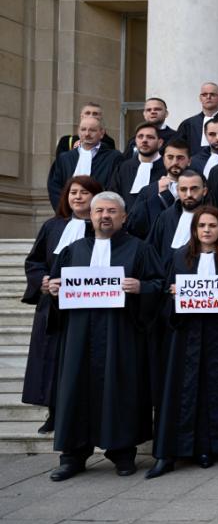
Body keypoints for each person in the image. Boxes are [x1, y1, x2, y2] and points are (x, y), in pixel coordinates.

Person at [46, 192, 162, 481]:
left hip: (120, 334)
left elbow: (159, 285)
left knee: (120, 389)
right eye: (99, 211)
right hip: (79, 335)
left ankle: (122, 453)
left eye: (111, 211)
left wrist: (141, 288)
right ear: (91, 215)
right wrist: (53, 290)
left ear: (123, 217)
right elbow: (56, 288)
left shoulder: (139, 249)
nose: (105, 216)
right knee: (75, 389)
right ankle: (73, 456)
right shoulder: (73, 250)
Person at [147, 206, 218, 478]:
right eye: (202, 225)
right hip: (185, 337)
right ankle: (167, 453)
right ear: (194, 230)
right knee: (180, 391)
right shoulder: (178, 258)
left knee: (213, 388)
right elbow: (162, 297)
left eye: (212, 226)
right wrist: (170, 295)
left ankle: (208, 447)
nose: (206, 230)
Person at [22, 176, 100, 434]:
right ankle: (53, 413)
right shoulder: (52, 226)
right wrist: (42, 281)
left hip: (87, 306)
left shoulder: (101, 227)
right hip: (53, 307)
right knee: (51, 359)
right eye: (73, 193)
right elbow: (34, 261)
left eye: (84, 193)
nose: (77, 197)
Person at [47, 116, 121, 207]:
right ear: (78, 132)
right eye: (83, 130)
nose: (87, 134)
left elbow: (115, 187)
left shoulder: (114, 158)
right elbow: (54, 187)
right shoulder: (65, 158)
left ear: (102, 133)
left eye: (92, 130)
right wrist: (63, 210)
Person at [110, 122, 164, 205]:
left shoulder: (167, 168)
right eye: (140, 137)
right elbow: (113, 196)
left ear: (160, 143)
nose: (144, 140)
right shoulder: (123, 168)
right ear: (135, 141)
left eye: (150, 137)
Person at [174, 82, 218, 155]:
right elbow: (178, 148)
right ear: (200, 98)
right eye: (204, 95)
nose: (208, 97)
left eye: (212, 94)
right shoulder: (188, 124)